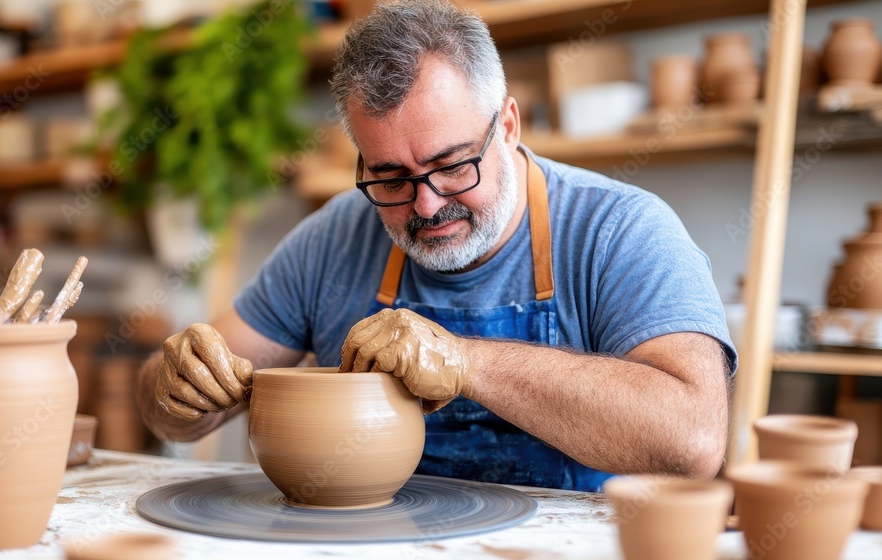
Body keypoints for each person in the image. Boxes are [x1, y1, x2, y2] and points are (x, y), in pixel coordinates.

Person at [137, 0, 736, 492]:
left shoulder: (619, 230)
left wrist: (465, 361)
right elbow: (170, 411)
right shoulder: (333, 237)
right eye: (391, 177)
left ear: (507, 126)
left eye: (451, 167)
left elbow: (694, 444)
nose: (425, 205)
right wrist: (177, 387)